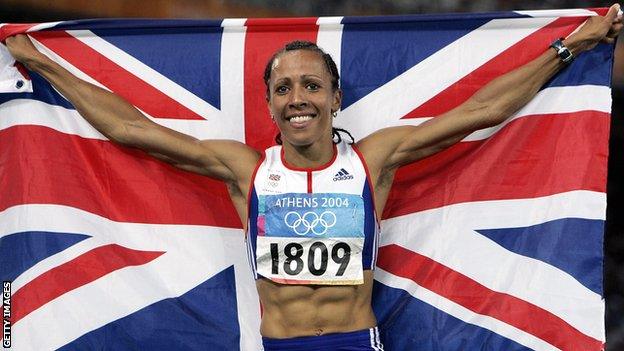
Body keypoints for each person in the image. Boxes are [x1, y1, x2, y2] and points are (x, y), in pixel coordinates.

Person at [5, 5, 623, 350]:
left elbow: (481, 112)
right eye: (283, 88)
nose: (297, 97)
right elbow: (131, 129)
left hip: (357, 346)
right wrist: (43, 63)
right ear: (270, 105)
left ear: (333, 96)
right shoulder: (245, 168)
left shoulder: (371, 160)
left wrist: (569, 47)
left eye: (310, 85)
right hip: (282, 347)